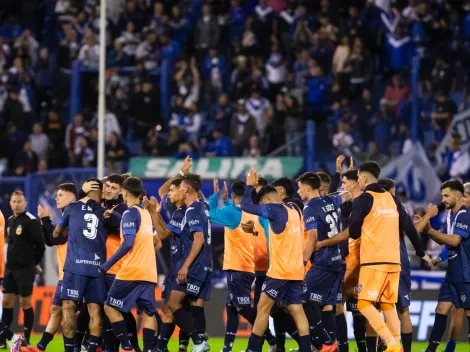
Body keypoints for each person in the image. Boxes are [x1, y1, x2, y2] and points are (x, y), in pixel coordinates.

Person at [241, 169, 311, 352]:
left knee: (262, 308)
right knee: (297, 310)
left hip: (280, 272)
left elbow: (246, 206)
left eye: (263, 203)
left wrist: (249, 185)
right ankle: (306, 348)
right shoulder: (295, 209)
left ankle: (252, 349)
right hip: (296, 271)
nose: (262, 208)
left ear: (270, 201)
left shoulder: (276, 210)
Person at [53, 179, 120, 352]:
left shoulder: (72, 208)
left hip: (75, 267)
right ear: (100, 192)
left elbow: (56, 233)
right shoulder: (105, 213)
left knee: (68, 308)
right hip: (97, 268)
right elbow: (118, 226)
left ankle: (69, 350)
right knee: (94, 311)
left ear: (85, 189)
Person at [348, 161, 406, 352]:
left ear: (364, 177)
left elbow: (354, 231)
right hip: (394, 260)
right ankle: (398, 345)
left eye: (358, 178)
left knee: (364, 303)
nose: (358, 182)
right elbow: (406, 225)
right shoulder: (391, 199)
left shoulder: (365, 199)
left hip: (374, 260)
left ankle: (390, 342)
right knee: (388, 304)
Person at [209, 179, 273, 352]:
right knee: (231, 308)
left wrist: (215, 195)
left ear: (232, 194)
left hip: (237, 266)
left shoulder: (231, 212)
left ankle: (270, 338)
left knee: (242, 308)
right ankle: (227, 347)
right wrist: (228, 201)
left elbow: (211, 213)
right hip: (248, 265)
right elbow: (235, 222)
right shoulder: (250, 212)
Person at [100, 177, 161, 352]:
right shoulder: (146, 214)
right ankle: (148, 349)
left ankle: (127, 348)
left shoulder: (129, 213)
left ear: (124, 192)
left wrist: (107, 265)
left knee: (110, 307)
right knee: (149, 313)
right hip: (149, 272)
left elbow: (128, 243)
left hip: (131, 271)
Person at [378, 178, 433, 352]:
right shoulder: (397, 207)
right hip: (399, 261)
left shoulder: (371, 206)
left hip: (378, 262)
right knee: (404, 312)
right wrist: (421, 253)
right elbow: (410, 230)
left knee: (378, 311)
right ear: (390, 191)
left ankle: (383, 346)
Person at [21, 183, 78, 352]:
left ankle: (82, 346)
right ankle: (41, 347)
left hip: (75, 272)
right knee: (56, 309)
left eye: (60, 195)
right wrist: (43, 221)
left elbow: (58, 239)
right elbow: (50, 241)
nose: (56, 198)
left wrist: (46, 220)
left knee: (73, 312)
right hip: (65, 273)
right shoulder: (66, 215)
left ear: (71, 197)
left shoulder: (75, 215)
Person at [421, 179, 470, 352]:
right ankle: (431, 350)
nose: (443, 199)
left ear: (458, 196)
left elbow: (455, 241)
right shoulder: (451, 216)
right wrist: (437, 258)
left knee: (467, 313)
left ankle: (449, 348)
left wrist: (431, 231)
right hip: (453, 272)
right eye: (442, 196)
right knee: (441, 309)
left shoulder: (465, 215)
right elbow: (448, 243)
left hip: (465, 272)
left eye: (446, 195)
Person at [297, 172, 343, 352]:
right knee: (325, 306)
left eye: (300, 187)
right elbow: (343, 194)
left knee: (303, 299)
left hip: (323, 261)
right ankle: (329, 343)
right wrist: (339, 174)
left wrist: (302, 263)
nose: (299, 191)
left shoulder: (309, 209)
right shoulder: (331, 201)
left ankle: (327, 343)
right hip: (337, 260)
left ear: (308, 187)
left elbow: (313, 237)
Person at [166, 174, 212, 352]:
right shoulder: (203, 206)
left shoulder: (192, 209)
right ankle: (199, 342)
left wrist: (185, 265)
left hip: (195, 266)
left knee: (173, 303)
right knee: (194, 304)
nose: (177, 191)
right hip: (206, 264)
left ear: (185, 189)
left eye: (179, 187)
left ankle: (198, 342)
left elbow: (198, 238)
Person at [2, 191, 45, 347]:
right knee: (6, 302)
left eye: (19, 201)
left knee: (25, 302)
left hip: (25, 269)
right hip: (10, 268)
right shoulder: (10, 220)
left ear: (25, 203)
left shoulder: (31, 220)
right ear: (10, 203)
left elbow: (40, 245)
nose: (16, 204)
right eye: (14, 201)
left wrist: (34, 263)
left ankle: (26, 338)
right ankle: (2, 340)